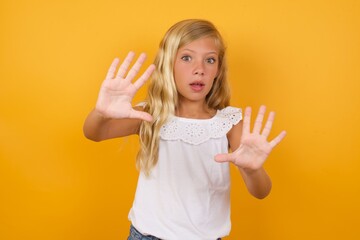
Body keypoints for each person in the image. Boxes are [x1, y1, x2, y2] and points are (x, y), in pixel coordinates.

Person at [83, 19, 286, 240]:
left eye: (209, 60)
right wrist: (101, 113)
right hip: (147, 235)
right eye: (186, 58)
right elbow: (94, 133)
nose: (199, 70)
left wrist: (253, 170)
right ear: (169, 63)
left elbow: (261, 191)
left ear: (218, 70)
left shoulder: (229, 122)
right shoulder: (149, 114)